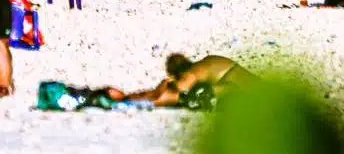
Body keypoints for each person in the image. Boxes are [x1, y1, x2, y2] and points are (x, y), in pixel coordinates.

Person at [108, 54, 257, 107]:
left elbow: (180, 89)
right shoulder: (207, 62)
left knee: (192, 95)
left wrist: (165, 83)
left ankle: (131, 100)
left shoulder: (193, 71)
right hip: (253, 86)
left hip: (244, 92)